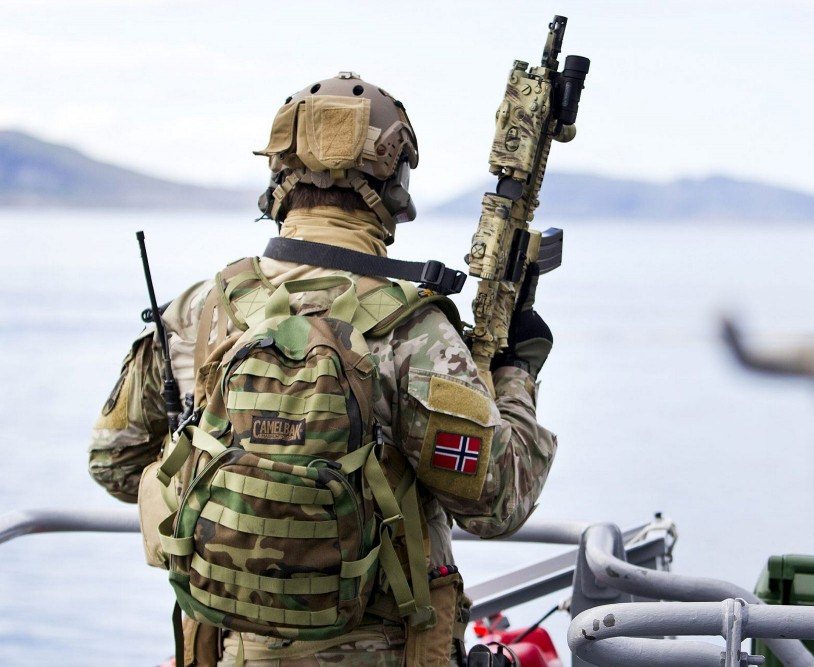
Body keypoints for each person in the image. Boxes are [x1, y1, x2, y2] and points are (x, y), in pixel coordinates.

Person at [88, 72, 557, 666]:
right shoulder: (415, 334)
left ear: (278, 179)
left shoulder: (200, 310)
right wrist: (515, 375)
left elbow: (114, 462)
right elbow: (499, 504)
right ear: (394, 186)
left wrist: (225, 490)